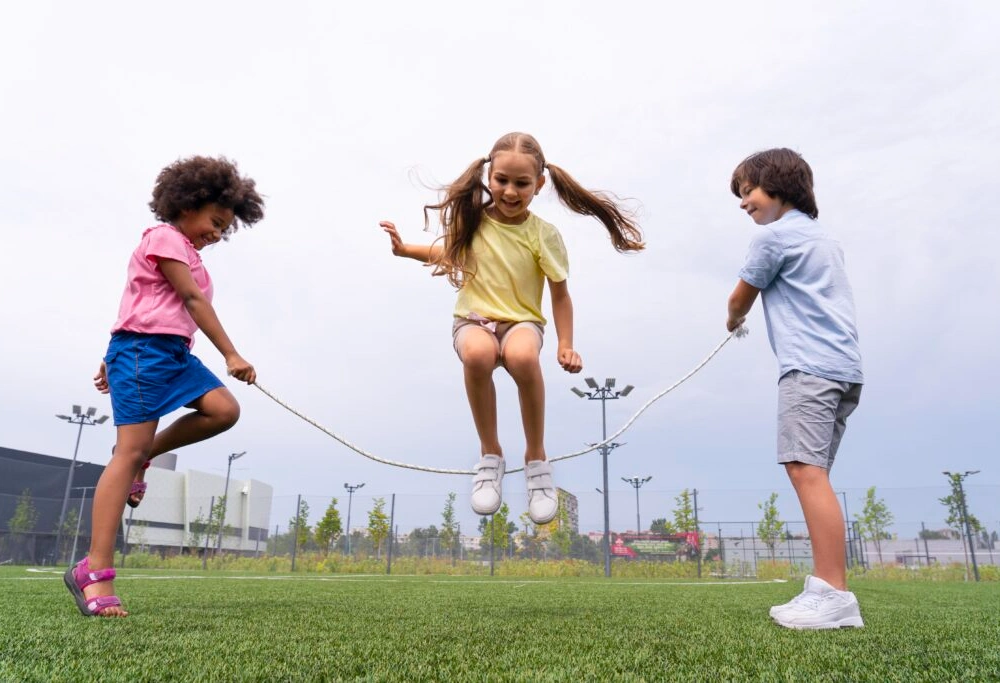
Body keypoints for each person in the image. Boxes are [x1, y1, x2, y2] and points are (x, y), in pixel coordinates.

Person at [381, 132, 644, 524]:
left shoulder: (543, 234)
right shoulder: (474, 222)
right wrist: (405, 250)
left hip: (522, 322)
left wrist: (566, 343)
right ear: (489, 176)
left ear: (539, 184)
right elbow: (447, 252)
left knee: (521, 357)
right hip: (474, 320)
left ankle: (537, 460)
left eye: (521, 183)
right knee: (478, 354)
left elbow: (560, 295)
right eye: (502, 180)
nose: (509, 191)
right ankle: (490, 456)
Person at [63, 156, 264, 617]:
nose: (217, 234)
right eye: (215, 222)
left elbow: (144, 300)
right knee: (126, 453)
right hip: (143, 353)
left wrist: (110, 354)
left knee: (223, 410)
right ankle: (94, 570)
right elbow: (189, 299)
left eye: (224, 228)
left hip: (171, 354)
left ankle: (144, 456)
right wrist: (231, 354)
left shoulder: (191, 256)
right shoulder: (164, 237)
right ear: (187, 204)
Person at [726, 148, 864, 630]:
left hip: (809, 369)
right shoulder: (825, 238)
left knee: (805, 471)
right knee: (814, 472)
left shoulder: (773, 237)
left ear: (777, 186)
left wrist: (733, 320)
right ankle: (827, 589)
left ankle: (833, 595)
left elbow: (740, 296)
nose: (743, 202)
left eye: (749, 191)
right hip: (844, 369)